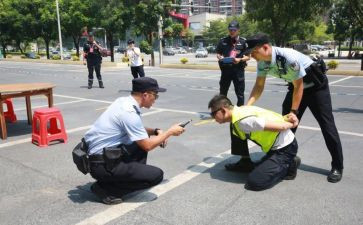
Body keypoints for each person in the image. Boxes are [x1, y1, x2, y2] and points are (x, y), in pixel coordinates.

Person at [244, 33, 344, 183]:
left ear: (265, 47)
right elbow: (259, 86)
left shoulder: (288, 57)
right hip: (297, 88)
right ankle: (278, 157)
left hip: (317, 88)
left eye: (254, 52)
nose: (252, 56)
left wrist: (293, 112)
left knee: (327, 126)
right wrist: (247, 106)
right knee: (283, 126)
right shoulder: (262, 62)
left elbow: (299, 86)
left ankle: (337, 166)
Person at [84, 77, 185, 204]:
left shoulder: (124, 102)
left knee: (139, 144)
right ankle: (106, 189)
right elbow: (147, 146)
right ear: (145, 95)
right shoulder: (129, 112)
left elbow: (136, 130)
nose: (156, 99)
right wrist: (169, 132)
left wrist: (155, 131)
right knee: (156, 176)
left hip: (101, 159)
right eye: (155, 95)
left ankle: (117, 179)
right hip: (101, 164)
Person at [208, 95, 300, 191]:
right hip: (276, 147)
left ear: (223, 110)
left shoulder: (243, 121)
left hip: (285, 148)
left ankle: (289, 165)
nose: (213, 118)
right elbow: (268, 116)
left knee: (254, 183)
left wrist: (292, 123)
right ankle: (280, 161)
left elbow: (281, 127)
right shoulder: (240, 111)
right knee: (257, 168)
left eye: (213, 114)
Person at [215, 20, 253, 172]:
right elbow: (218, 52)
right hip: (225, 69)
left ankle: (241, 112)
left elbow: (249, 57)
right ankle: (221, 110)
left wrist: (240, 59)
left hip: (238, 70)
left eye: (234, 30)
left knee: (240, 93)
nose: (232, 32)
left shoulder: (243, 42)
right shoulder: (223, 41)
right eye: (230, 29)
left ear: (238, 30)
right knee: (223, 92)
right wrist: (220, 57)